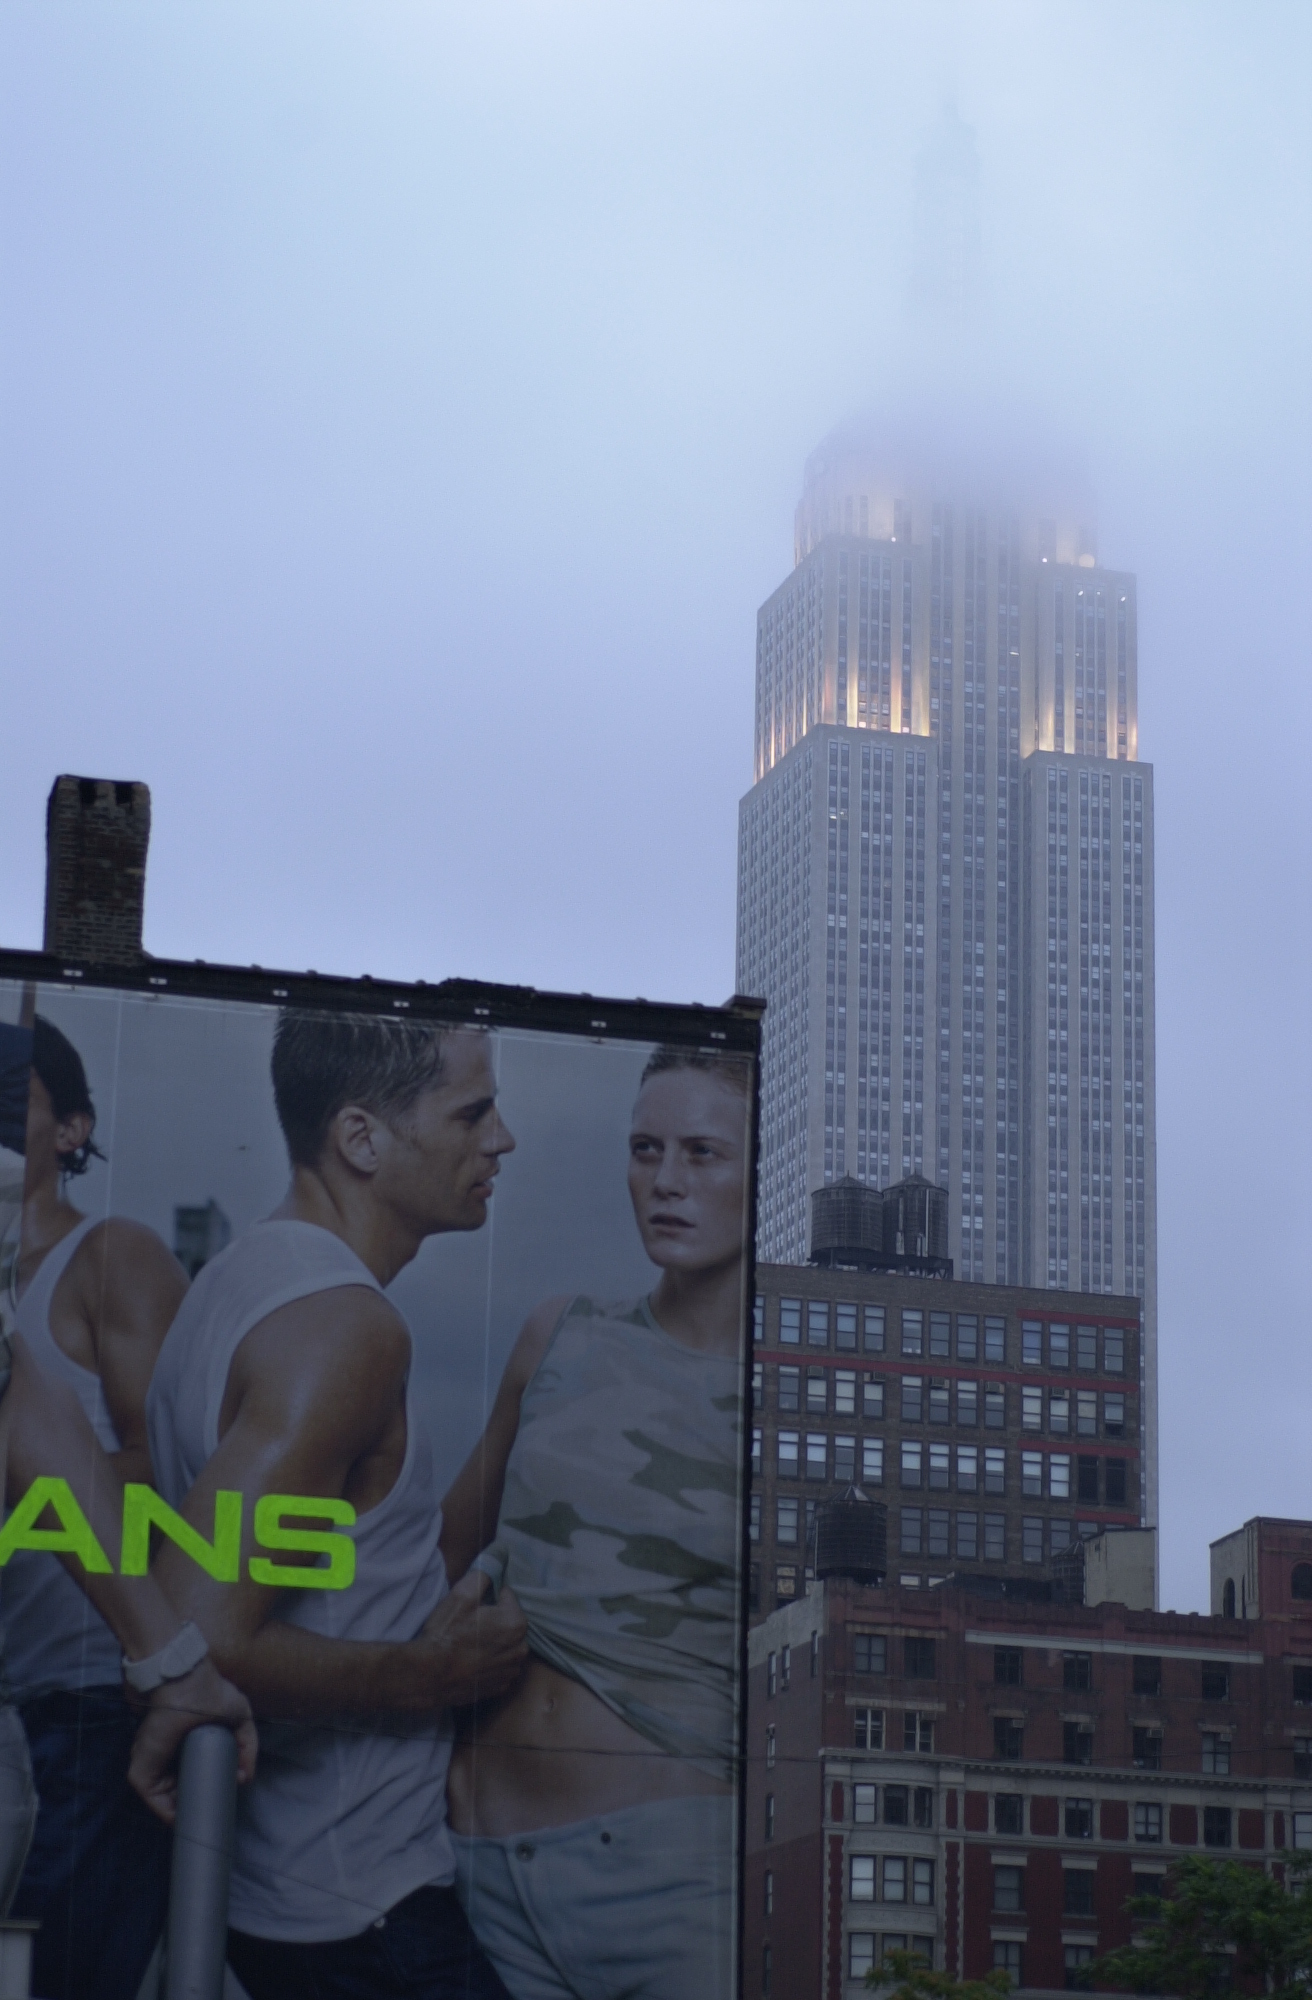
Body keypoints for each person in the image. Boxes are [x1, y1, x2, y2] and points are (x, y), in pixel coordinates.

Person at [146, 1010, 530, 2000]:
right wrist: (430, 1675)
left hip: (297, 1900)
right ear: (361, 1137)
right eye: (472, 1112)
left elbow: (358, 1561)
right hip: (366, 1915)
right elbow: (195, 1632)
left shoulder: (236, 1285)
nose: (502, 1139)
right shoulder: (344, 1329)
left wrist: (517, 1408)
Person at [441, 1045, 752, 2000]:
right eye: (645, 1149)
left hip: (673, 1889)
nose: (665, 1181)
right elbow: (438, 1562)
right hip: (475, 1873)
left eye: (702, 1153)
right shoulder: (560, 1333)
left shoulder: (789, 1403)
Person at [3, 1015, 198, 2000]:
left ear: (72, 1128)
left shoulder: (109, 1255)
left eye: (13, 1094)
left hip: (90, 1708)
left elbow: (173, 1473)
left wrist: (22, 1487)